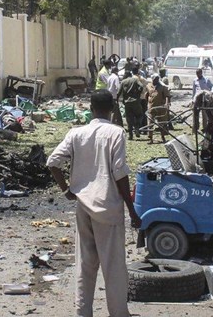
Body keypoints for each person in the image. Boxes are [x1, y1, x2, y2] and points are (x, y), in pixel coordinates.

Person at [46, 90, 141, 317]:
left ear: (90, 108)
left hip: (83, 205)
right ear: (113, 109)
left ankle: (83, 312)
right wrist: (132, 210)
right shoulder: (116, 133)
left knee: (85, 265)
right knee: (114, 266)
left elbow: (53, 162)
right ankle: (118, 313)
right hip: (108, 207)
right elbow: (120, 174)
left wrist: (66, 190)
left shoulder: (76, 133)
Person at [120, 66, 145, 140]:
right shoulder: (134, 80)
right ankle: (137, 127)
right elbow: (141, 86)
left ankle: (130, 135)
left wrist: (118, 100)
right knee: (140, 115)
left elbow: (119, 92)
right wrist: (138, 94)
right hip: (135, 101)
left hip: (127, 102)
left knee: (129, 118)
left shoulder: (123, 82)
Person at [146, 73, 171, 144]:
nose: (157, 80)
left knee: (162, 123)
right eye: (155, 79)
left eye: (157, 79)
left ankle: (163, 137)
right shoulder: (148, 86)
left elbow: (167, 96)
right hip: (151, 107)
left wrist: (167, 104)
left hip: (161, 107)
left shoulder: (162, 87)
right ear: (152, 79)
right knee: (150, 123)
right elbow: (147, 95)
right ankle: (150, 138)